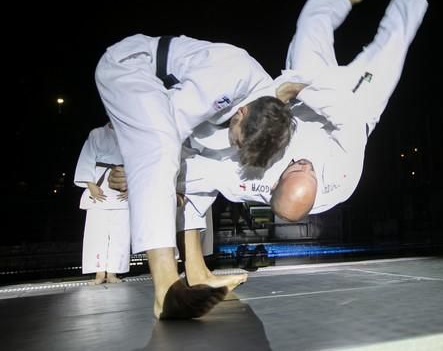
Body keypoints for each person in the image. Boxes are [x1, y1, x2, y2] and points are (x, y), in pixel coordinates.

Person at [153, 0, 443, 282]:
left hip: (299, 99)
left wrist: (161, 174)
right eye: (309, 171)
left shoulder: (256, 178)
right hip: (355, 104)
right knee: (392, 45)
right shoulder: (342, 178)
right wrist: (305, 89)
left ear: (276, 182)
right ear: (319, 186)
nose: (305, 163)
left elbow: (206, 172)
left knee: (308, 28)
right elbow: (346, 114)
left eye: (297, 167)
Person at [95, 31, 294, 319]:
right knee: (161, 145)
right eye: (239, 140)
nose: (236, 146)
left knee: (203, 169)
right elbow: (161, 132)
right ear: (242, 112)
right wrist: (130, 168)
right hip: (131, 67)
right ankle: (165, 289)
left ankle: (197, 271)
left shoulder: (266, 109)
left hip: (167, 100)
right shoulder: (228, 76)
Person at [74, 122, 129, 285]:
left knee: (120, 234)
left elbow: (139, 163)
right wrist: (90, 185)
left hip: (123, 186)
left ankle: (113, 272)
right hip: (99, 187)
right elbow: (86, 159)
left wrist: (132, 187)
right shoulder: (97, 134)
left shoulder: (131, 132)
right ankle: (99, 272)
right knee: (96, 233)